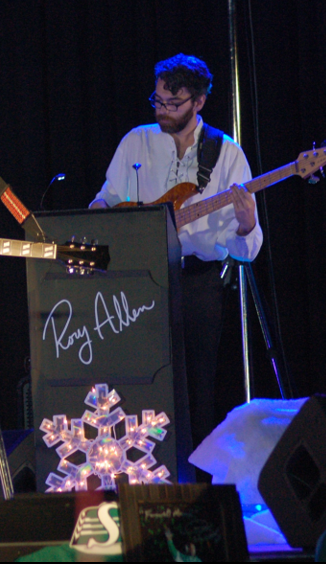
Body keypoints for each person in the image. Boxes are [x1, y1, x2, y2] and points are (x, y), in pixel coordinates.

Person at [90, 54, 263, 451]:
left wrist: (246, 223)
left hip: (197, 282)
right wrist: (100, 223)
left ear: (198, 102)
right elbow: (106, 198)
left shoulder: (228, 154)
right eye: (158, 100)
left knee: (197, 387)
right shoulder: (136, 140)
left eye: (173, 103)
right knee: (138, 381)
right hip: (139, 279)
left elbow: (246, 251)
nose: (162, 110)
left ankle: (197, 480)